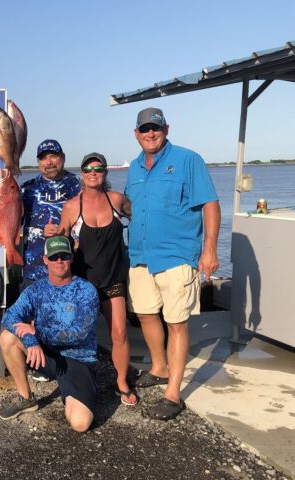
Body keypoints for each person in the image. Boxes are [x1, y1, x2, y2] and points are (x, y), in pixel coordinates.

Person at [125, 107, 220, 420]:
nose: (150, 134)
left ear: (166, 128)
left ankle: (173, 393)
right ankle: (159, 367)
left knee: (176, 322)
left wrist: (209, 249)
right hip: (140, 256)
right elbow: (129, 207)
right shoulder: (135, 167)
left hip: (177, 255)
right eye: (144, 129)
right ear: (136, 133)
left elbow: (210, 203)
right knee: (145, 313)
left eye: (156, 127)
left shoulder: (187, 159)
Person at [0, 236, 99, 432]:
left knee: (80, 424)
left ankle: (79, 392)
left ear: (71, 258)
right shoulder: (35, 289)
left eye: (64, 256)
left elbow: (79, 334)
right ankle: (26, 398)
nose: (59, 261)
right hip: (46, 355)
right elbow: (9, 317)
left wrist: (38, 332)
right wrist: (30, 339)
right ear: (45, 260)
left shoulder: (86, 290)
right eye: (54, 257)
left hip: (78, 360)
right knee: (7, 337)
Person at [58, 152, 136, 406]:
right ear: (81, 173)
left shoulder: (117, 201)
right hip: (83, 282)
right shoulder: (72, 206)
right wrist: (53, 236)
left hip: (113, 279)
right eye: (88, 169)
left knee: (120, 333)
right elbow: (60, 244)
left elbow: (144, 223)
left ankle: (121, 382)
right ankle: (76, 381)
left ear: (105, 173)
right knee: (80, 334)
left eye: (99, 169)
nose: (93, 173)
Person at [21, 139, 81, 283]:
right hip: (34, 271)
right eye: (43, 158)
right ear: (38, 162)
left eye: (53, 156)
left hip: (72, 270)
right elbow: (11, 223)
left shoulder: (80, 185)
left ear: (63, 157)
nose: (48, 162)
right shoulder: (27, 189)